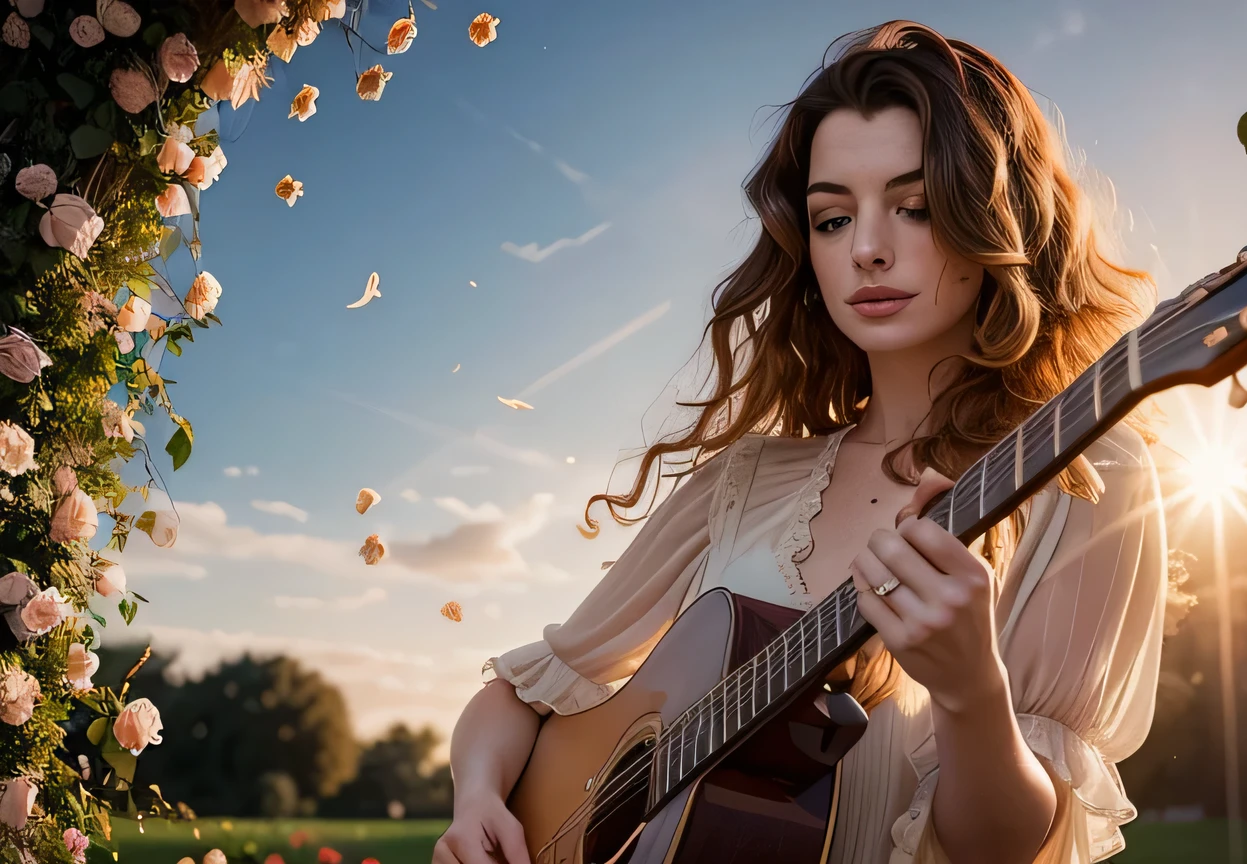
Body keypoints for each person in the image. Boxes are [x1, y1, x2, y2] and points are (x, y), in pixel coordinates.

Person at [436, 19, 1167, 864]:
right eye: (830, 219)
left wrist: (971, 694)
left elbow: (1007, 851)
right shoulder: (740, 484)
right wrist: (478, 799)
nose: (865, 249)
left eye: (915, 206)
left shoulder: (1083, 475)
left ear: (997, 216)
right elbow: (524, 694)